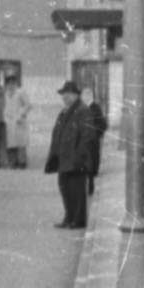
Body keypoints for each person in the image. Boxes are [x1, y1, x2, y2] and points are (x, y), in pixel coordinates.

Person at [44, 81, 104, 229]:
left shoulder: (83, 110)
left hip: (76, 160)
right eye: (63, 94)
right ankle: (69, 218)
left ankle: (78, 221)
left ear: (75, 95)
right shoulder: (65, 111)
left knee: (76, 190)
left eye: (67, 94)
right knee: (65, 188)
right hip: (64, 158)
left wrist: (79, 156)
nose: (64, 97)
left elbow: (87, 136)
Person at [2, 77, 32, 169]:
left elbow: (28, 105)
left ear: (15, 84)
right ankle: (13, 163)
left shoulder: (20, 92)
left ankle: (22, 163)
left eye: (12, 83)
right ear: (6, 85)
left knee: (21, 143)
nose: (11, 86)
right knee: (11, 143)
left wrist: (21, 114)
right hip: (8, 121)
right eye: (9, 84)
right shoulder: (5, 94)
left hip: (19, 120)